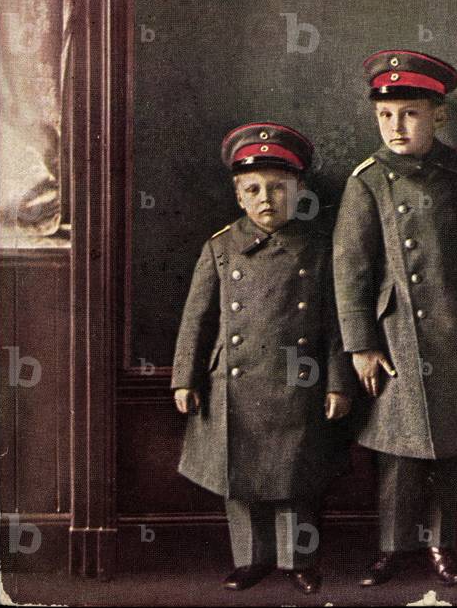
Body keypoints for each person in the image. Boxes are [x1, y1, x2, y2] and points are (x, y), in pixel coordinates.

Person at [171, 122, 356, 594]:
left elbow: (335, 324)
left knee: (297, 476)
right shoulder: (219, 247)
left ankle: (299, 561)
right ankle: (250, 559)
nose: (266, 198)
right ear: (238, 196)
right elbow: (197, 319)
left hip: (299, 380)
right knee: (240, 478)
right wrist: (184, 379)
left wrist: (337, 382)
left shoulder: (318, 251)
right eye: (253, 189)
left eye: (279, 187)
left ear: (299, 191)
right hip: (232, 386)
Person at [333, 50, 457, 587]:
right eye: (386, 115)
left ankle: (443, 545)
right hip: (395, 337)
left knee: (449, 448)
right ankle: (392, 547)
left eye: (410, 113)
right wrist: (360, 345)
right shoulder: (368, 180)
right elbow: (350, 269)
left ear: (438, 114)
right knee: (398, 453)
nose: (396, 127)